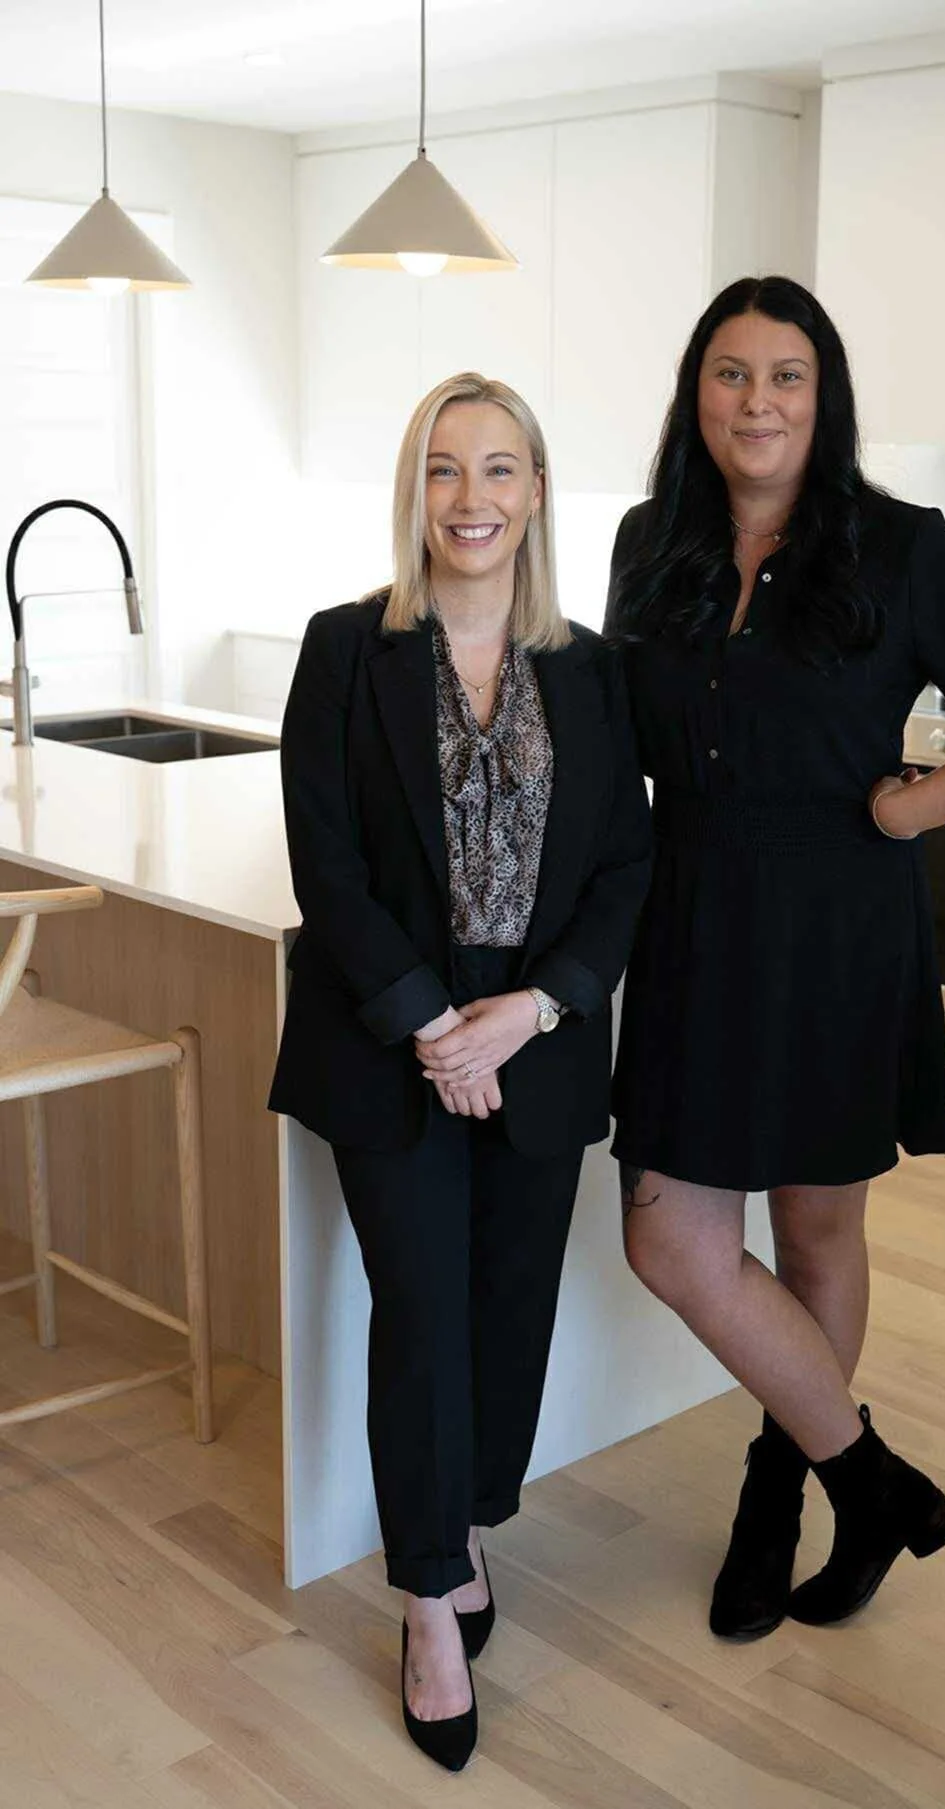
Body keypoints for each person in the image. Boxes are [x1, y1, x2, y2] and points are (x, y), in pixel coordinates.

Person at [604, 275, 945, 1642]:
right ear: (692, 392)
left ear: (821, 400)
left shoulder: (899, 546)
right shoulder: (649, 540)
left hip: (836, 926)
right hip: (693, 918)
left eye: (784, 377)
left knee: (817, 1225)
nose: (754, 401)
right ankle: (865, 1477)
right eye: (728, 373)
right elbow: (609, 733)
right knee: (672, 1239)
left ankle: (780, 1490)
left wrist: (917, 804)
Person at [270, 372, 651, 1770]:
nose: (471, 500)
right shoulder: (340, 648)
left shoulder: (593, 670)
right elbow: (329, 863)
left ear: (538, 492)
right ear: (411, 490)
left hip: (539, 1044)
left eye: (499, 471)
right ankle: (429, 1598)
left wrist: (534, 1010)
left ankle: (466, 1519)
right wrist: (439, 1025)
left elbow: (623, 866)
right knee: (422, 1311)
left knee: (507, 1309)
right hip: (392, 1043)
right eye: (443, 470)